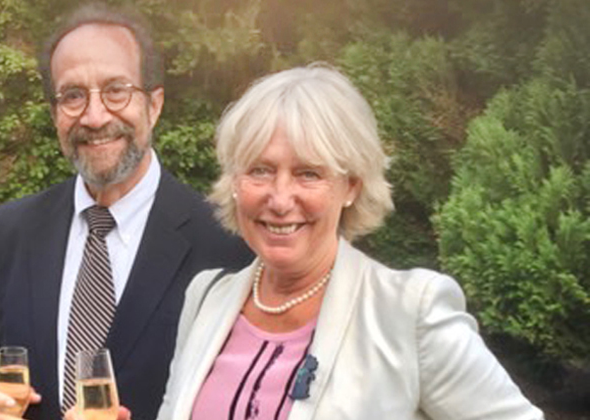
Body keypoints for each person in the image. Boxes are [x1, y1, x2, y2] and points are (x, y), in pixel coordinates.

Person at [68, 63, 544, 419]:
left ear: (351, 184)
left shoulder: (408, 310)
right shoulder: (206, 297)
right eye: (259, 170)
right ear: (235, 181)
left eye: (308, 173)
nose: (279, 198)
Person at [0, 3, 252, 420]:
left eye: (117, 90)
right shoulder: (12, 230)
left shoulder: (227, 241)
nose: (94, 117)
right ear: (55, 113)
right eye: (73, 95)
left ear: (154, 104)